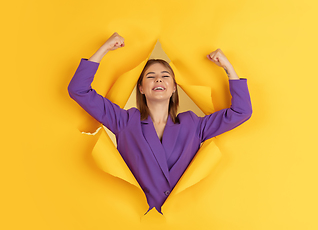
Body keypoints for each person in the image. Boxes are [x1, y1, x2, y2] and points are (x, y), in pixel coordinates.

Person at [68, 32, 252, 214]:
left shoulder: (193, 125)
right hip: (134, 220)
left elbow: (241, 111)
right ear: (141, 88)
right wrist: (105, 48)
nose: (158, 79)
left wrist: (228, 67)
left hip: (184, 219)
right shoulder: (125, 122)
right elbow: (79, 90)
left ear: (173, 87)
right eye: (150, 76)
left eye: (165, 76)